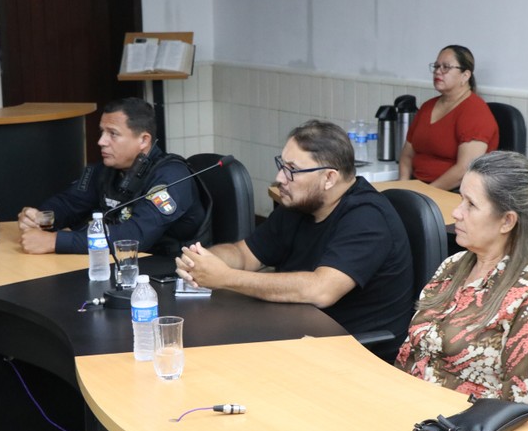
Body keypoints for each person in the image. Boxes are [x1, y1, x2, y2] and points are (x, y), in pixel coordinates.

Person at [175, 119, 415, 360]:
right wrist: (203, 261)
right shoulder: (300, 204)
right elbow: (245, 254)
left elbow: (321, 290)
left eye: (292, 169)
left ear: (329, 178)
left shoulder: (367, 217)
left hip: (351, 353)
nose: (280, 177)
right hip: (298, 333)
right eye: (281, 164)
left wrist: (225, 277)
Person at [395, 151, 528, 406]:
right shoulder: (453, 266)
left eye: (471, 205)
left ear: (506, 221)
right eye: (460, 200)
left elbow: (514, 408)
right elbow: (408, 355)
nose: (456, 213)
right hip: (407, 406)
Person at [17, 97, 210, 255]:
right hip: (121, 265)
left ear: (143, 140)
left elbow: (136, 235)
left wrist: (55, 241)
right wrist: (40, 218)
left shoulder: (171, 177)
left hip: (167, 272)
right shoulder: (107, 169)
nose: (101, 141)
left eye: (113, 134)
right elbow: (68, 203)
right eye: (102, 132)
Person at [398, 45, 499, 190]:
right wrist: (402, 186)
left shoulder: (475, 112)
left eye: (446, 67)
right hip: (418, 189)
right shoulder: (427, 107)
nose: (438, 71)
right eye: (436, 66)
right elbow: (407, 155)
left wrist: (425, 195)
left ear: (465, 75)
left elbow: (464, 169)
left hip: (453, 193)